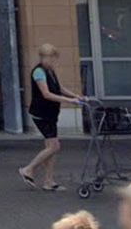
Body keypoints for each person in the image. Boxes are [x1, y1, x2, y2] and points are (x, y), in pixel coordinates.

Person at [21, 43, 85, 191]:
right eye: (53, 59)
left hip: (50, 113)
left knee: (51, 148)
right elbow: (47, 94)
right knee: (54, 146)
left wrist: (76, 97)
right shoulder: (38, 72)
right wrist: (71, 101)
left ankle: (48, 181)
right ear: (46, 57)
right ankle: (28, 169)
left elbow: (59, 89)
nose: (55, 62)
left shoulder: (49, 71)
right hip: (41, 113)